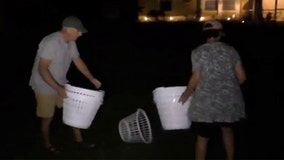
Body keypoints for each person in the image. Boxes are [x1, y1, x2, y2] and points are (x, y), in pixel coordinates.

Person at [29, 16, 102, 154]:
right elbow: (42, 68)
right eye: (79, 31)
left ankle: (79, 141)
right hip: (43, 85)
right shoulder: (51, 42)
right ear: (68, 29)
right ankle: (47, 144)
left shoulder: (70, 42)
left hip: (61, 82)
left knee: (73, 110)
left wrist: (91, 78)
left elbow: (77, 60)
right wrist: (57, 88)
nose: (81, 34)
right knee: (48, 117)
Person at [178, 20, 246, 160]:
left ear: (205, 34)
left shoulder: (197, 52)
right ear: (220, 33)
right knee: (227, 131)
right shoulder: (231, 50)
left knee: (203, 138)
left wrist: (187, 92)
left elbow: (196, 76)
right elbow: (242, 77)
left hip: (205, 103)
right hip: (228, 102)